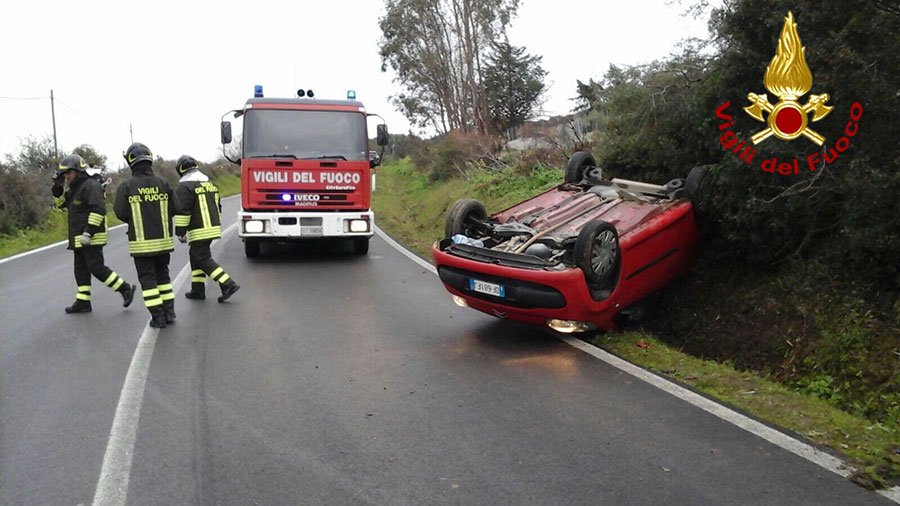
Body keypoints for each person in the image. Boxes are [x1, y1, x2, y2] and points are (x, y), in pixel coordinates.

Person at [51, 154, 135, 313]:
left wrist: (88, 233)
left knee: (96, 267)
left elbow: (98, 210)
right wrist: (57, 184)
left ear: (77, 171)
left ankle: (125, 289)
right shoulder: (74, 188)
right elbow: (59, 201)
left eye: (68, 173)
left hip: (92, 236)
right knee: (80, 270)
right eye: (64, 174)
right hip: (78, 236)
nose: (66, 177)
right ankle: (83, 302)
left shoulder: (91, 186)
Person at [113, 143, 176, 328]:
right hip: (164, 242)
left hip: (141, 245)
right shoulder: (163, 183)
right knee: (164, 278)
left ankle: (158, 318)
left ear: (131, 162)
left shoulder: (126, 186)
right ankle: (169, 313)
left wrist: (135, 219)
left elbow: (120, 212)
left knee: (148, 282)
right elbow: (176, 208)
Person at [173, 155, 240, 302]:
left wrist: (180, 232)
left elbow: (183, 211)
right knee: (195, 256)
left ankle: (227, 284)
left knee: (202, 258)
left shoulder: (184, 187)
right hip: (212, 227)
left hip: (199, 229)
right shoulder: (209, 183)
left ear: (180, 170)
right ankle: (198, 290)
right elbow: (218, 205)